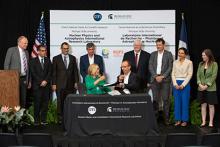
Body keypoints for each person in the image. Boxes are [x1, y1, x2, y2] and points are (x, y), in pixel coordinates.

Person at [52, 42, 79, 123]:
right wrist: (53, 83)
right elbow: (54, 72)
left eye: (67, 48)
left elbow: (75, 71)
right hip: (59, 84)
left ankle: (69, 118)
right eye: (64, 48)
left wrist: (76, 82)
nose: (66, 50)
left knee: (70, 102)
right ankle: (60, 119)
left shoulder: (73, 58)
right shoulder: (56, 58)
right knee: (60, 102)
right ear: (61, 49)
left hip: (70, 85)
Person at [149, 38, 173, 125]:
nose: (158, 46)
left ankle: (166, 119)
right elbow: (150, 66)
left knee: (166, 100)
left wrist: (162, 76)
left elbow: (170, 67)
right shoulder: (153, 54)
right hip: (154, 80)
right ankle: (155, 119)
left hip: (165, 80)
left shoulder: (169, 54)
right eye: (157, 45)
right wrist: (156, 76)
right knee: (155, 100)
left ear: (163, 45)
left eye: (159, 45)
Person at [4, 36, 30, 108]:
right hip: (13, 79)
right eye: (25, 43)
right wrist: (8, 78)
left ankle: (22, 116)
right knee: (14, 98)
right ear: (19, 43)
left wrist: (28, 80)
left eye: (27, 43)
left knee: (23, 99)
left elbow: (28, 68)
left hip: (24, 79)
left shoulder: (27, 52)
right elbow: (6, 64)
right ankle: (14, 116)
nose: (26, 44)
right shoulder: (11, 50)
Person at [29, 45, 52, 125]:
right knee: (37, 103)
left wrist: (45, 80)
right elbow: (33, 73)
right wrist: (40, 81)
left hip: (46, 86)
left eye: (45, 50)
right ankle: (36, 120)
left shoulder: (48, 60)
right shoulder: (33, 61)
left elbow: (50, 72)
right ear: (38, 51)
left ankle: (43, 120)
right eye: (42, 50)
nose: (44, 52)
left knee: (45, 104)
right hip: (37, 86)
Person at [171, 48, 193, 127]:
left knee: (184, 102)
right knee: (177, 103)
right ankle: (178, 120)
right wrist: (175, 84)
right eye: (179, 53)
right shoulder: (175, 62)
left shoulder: (189, 62)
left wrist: (183, 85)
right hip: (176, 84)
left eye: (182, 53)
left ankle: (184, 120)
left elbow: (190, 74)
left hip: (185, 84)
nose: (180, 54)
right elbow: (172, 74)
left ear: (185, 54)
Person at [197, 49, 218, 128]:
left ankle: (211, 122)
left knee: (211, 105)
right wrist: (200, 84)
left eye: (204, 55)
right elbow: (198, 75)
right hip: (201, 88)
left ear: (208, 56)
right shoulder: (200, 64)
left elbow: (214, 76)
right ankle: (203, 121)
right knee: (203, 105)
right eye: (202, 55)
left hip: (210, 88)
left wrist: (207, 85)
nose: (202, 57)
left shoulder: (214, 64)